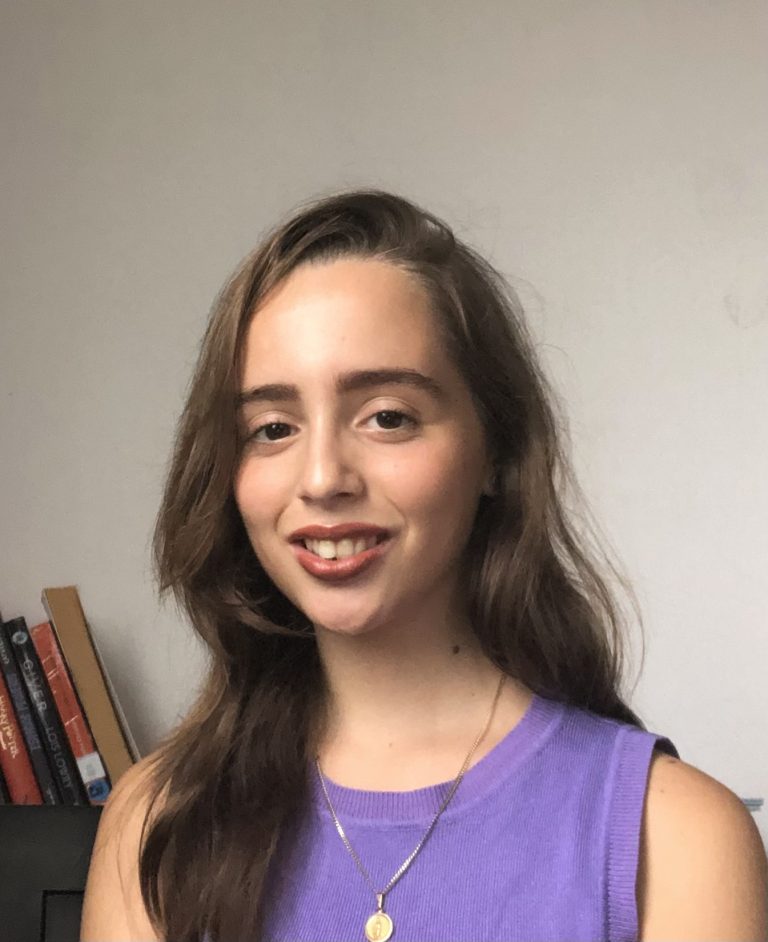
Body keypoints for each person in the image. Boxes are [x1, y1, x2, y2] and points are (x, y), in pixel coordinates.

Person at [81, 190, 767, 942]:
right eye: (272, 428)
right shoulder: (155, 826)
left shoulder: (673, 839)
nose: (322, 478)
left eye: (388, 417)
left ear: (497, 451)